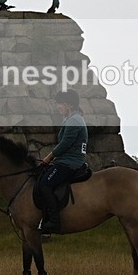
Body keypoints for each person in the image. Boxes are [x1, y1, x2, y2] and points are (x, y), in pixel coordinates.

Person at [38, 90, 88, 234]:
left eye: (59, 103)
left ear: (69, 105)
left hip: (69, 163)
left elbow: (65, 144)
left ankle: (53, 222)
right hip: (66, 161)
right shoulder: (72, 119)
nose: (57, 107)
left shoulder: (74, 121)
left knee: (45, 184)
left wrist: (49, 158)